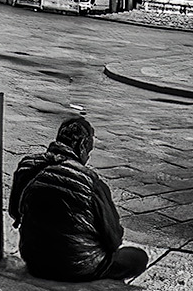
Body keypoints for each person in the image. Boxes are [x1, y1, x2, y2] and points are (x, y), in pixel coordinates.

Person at [8, 115, 149, 282]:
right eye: (88, 151)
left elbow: (14, 212)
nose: (87, 158)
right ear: (82, 146)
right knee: (138, 258)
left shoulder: (27, 165)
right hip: (77, 268)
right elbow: (113, 239)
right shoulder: (90, 181)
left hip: (34, 261)